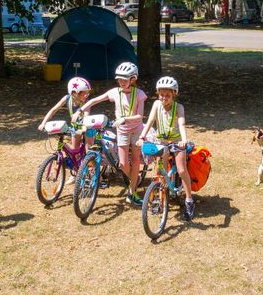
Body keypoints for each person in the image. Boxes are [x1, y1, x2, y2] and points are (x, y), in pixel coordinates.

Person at [72, 62, 147, 206]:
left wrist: (124, 119)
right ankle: (133, 179)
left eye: (124, 79)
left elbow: (140, 117)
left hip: (136, 130)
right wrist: (80, 111)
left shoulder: (139, 94)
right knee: (123, 164)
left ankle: (132, 192)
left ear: (133, 79)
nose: (121, 82)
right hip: (122, 131)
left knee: (136, 159)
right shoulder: (114, 92)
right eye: (119, 79)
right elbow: (95, 100)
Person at [138, 76, 195, 220]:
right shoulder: (156, 105)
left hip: (176, 142)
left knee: (181, 170)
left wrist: (183, 140)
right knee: (160, 171)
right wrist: (142, 137)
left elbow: (181, 124)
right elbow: (150, 121)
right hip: (162, 141)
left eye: (168, 95)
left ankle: (189, 200)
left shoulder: (179, 107)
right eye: (161, 94)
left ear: (174, 94)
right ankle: (161, 196)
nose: (164, 98)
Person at [38, 77, 93, 184]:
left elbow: (86, 116)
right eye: (84, 93)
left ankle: (93, 173)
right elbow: (53, 110)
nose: (87, 95)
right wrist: (43, 123)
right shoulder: (67, 99)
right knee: (74, 152)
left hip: (86, 127)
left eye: (88, 93)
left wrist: (83, 129)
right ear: (74, 93)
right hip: (75, 128)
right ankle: (75, 172)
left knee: (89, 151)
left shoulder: (86, 102)